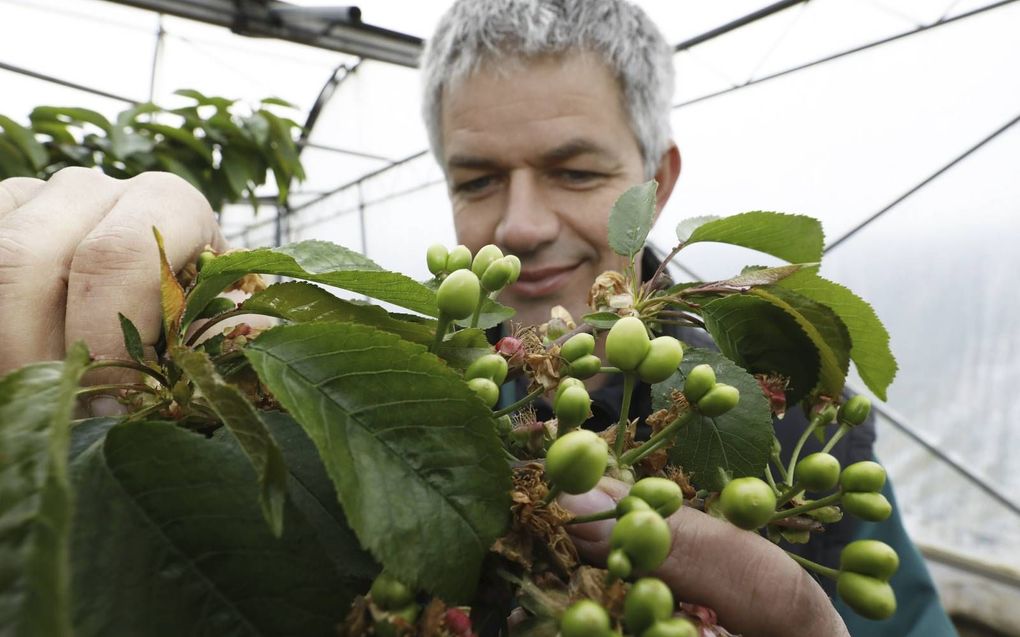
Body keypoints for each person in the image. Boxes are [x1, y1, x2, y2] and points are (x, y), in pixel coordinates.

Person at [0, 0, 952, 634]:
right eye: (479, 179)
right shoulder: (385, 387)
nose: (524, 224)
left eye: (576, 171)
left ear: (656, 183)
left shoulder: (791, 409)